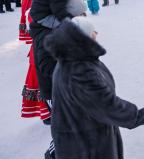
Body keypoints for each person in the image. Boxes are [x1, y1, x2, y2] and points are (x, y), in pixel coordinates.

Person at [44, 17, 138, 159]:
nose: (97, 33)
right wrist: (137, 114)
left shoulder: (73, 57)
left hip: (87, 130)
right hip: (87, 142)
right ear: (84, 37)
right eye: (93, 31)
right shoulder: (79, 70)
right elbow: (106, 104)